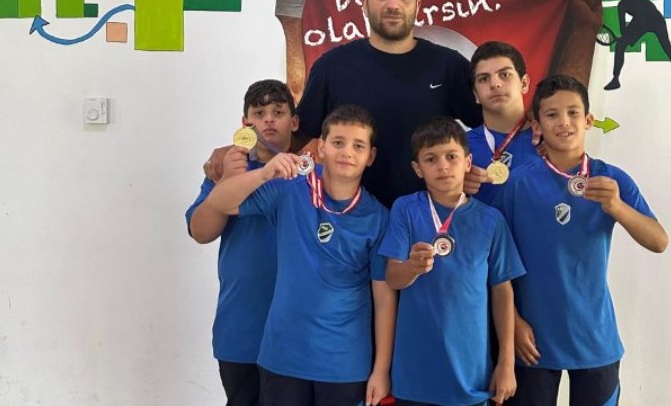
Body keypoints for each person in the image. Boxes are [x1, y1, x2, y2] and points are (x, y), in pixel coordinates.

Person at [204, 105, 396, 406]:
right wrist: (264, 174)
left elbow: (384, 299)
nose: (347, 152)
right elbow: (220, 202)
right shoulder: (291, 189)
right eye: (338, 142)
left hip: (343, 363)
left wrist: (381, 370)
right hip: (282, 357)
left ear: (370, 157)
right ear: (321, 148)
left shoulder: (379, 218)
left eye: (358, 146)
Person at [495, 75, 668, 406]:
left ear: (588, 120)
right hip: (531, 341)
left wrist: (616, 207)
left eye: (573, 112)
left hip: (594, 339)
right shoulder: (518, 183)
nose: (564, 122)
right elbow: (497, 261)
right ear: (537, 125)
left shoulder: (611, 179)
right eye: (552, 114)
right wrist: (512, 321)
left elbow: (659, 241)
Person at [295, 0, 483, 208]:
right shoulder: (331, 67)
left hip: (430, 219)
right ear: (364, 5)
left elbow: (492, 127)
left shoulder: (449, 65)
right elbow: (295, 139)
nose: (393, 5)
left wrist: (469, 165)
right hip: (351, 219)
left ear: (417, 5)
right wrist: (249, 148)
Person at [381, 117, 526, 406]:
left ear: (468, 162)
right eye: (431, 159)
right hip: (414, 376)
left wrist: (507, 363)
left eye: (451, 156)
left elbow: (502, 291)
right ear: (417, 169)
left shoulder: (491, 220)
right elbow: (393, 278)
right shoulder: (405, 209)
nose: (443, 166)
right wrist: (411, 268)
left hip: (470, 377)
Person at [185, 79, 299, 406]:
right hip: (241, 325)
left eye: (278, 112)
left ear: (294, 122)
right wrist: (226, 181)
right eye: (259, 113)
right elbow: (201, 232)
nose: (268, 119)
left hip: (297, 328)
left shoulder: (310, 173)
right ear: (246, 122)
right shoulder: (227, 169)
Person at [464, 41, 541, 206]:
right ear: (475, 94)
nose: (495, 84)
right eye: (484, 79)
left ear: (524, 83)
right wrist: (452, 186)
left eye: (504, 74)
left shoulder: (549, 140)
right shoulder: (459, 147)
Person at [603, 0, 671, 93]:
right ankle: (615, 79)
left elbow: (640, 21)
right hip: (640, 21)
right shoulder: (622, 5)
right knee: (620, 45)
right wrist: (624, 38)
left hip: (654, 20)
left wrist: (626, 37)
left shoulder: (645, 4)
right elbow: (623, 27)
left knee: (668, 48)